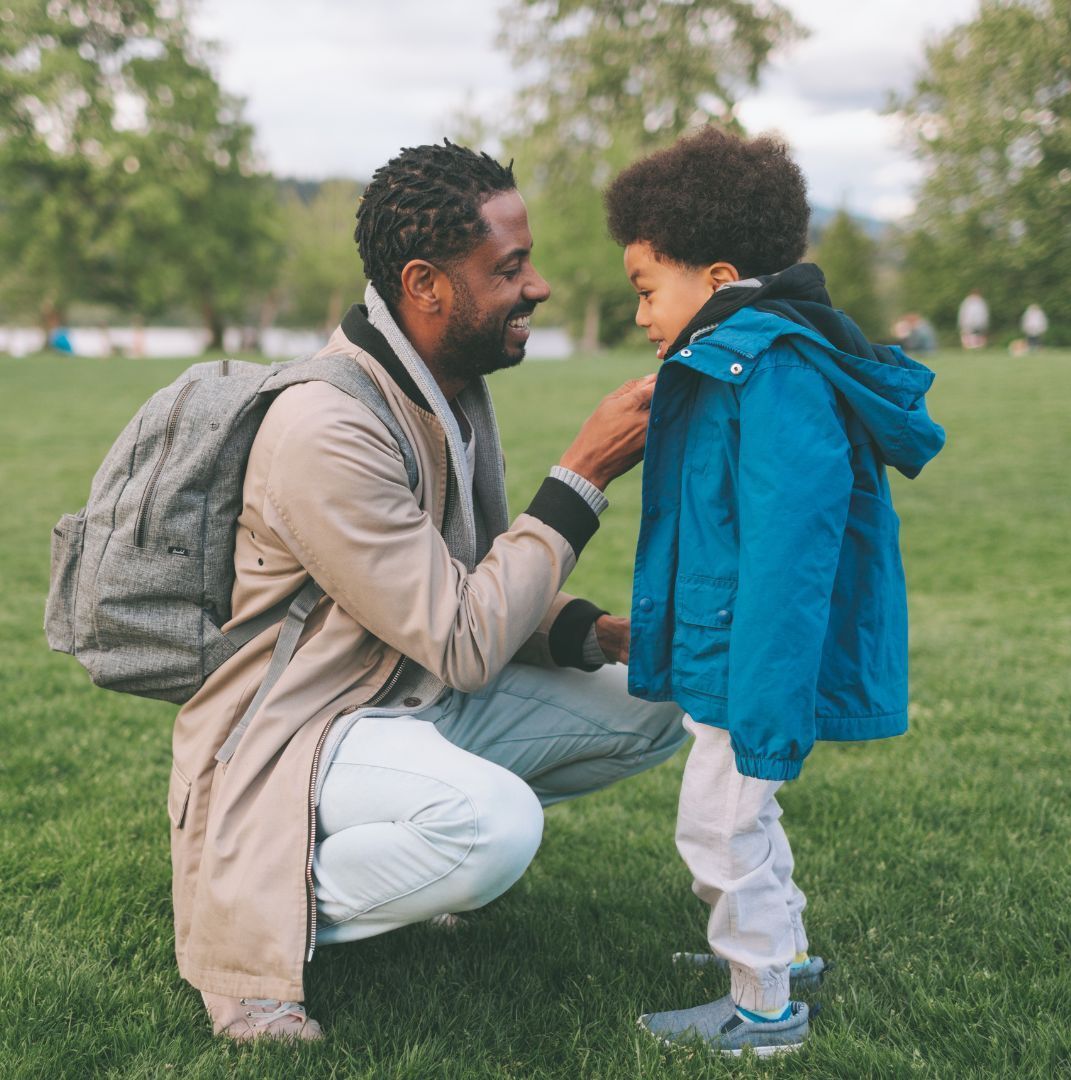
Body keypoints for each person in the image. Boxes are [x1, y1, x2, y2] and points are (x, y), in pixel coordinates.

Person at [173, 141, 686, 1041]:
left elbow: (477, 583)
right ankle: (248, 900)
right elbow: (464, 639)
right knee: (496, 827)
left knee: (659, 698)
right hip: (301, 728)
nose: (540, 288)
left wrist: (600, 635)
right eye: (511, 268)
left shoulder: (443, 388)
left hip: (407, 693)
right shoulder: (326, 425)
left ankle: (403, 854)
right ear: (427, 285)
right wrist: (583, 475)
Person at [603, 127, 946, 1056]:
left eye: (646, 289)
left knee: (718, 826)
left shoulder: (770, 371)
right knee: (744, 812)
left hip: (752, 655)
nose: (640, 315)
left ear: (716, 278)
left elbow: (793, 553)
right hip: (729, 643)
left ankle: (764, 1008)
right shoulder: (734, 362)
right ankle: (781, 954)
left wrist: (766, 690)